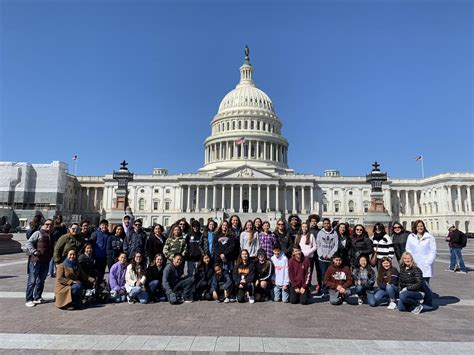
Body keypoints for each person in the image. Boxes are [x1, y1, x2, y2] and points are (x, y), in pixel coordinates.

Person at [405, 219, 436, 309]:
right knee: (415, 283)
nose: (420, 228)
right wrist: (410, 260)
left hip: (425, 264)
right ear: (415, 227)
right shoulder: (411, 236)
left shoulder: (429, 237)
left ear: (424, 227)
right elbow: (408, 248)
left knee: (425, 284)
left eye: (421, 226)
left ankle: (428, 303)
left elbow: (433, 250)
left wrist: (429, 261)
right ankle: (418, 301)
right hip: (414, 263)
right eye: (418, 226)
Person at [25, 219, 54, 307]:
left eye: (51, 225)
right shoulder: (38, 233)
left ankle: (37, 297)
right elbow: (29, 242)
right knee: (32, 281)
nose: (49, 226)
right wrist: (34, 251)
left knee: (41, 280)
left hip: (46, 261)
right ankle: (29, 299)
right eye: (47, 224)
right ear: (43, 224)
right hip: (36, 260)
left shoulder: (51, 235)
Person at [316, 218, 338, 297]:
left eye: (328, 223)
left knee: (332, 274)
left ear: (330, 224)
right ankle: (324, 290)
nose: (326, 225)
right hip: (322, 258)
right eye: (325, 223)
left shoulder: (334, 233)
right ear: (323, 224)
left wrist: (329, 255)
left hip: (331, 258)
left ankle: (331, 289)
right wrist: (321, 254)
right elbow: (318, 245)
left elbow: (335, 245)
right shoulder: (320, 233)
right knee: (324, 274)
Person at [90, 219, 109, 285]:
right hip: (96, 257)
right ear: (100, 226)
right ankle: (93, 285)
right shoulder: (95, 234)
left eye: (106, 225)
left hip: (104, 257)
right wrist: (92, 256)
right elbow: (91, 244)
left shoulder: (108, 234)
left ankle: (99, 286)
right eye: (103, 225)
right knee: (95, 272)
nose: (104, 226)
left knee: (101, 272)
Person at [308, 214, 322, 293]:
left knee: (319, 270)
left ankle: (319, 284)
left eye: (315, 221)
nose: (313, 223)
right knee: (309, 270)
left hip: (318, 253)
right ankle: (308, 285)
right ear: (310, 222)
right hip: (310, 253)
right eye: (312, 221)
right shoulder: (308, 231)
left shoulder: (320, 231)